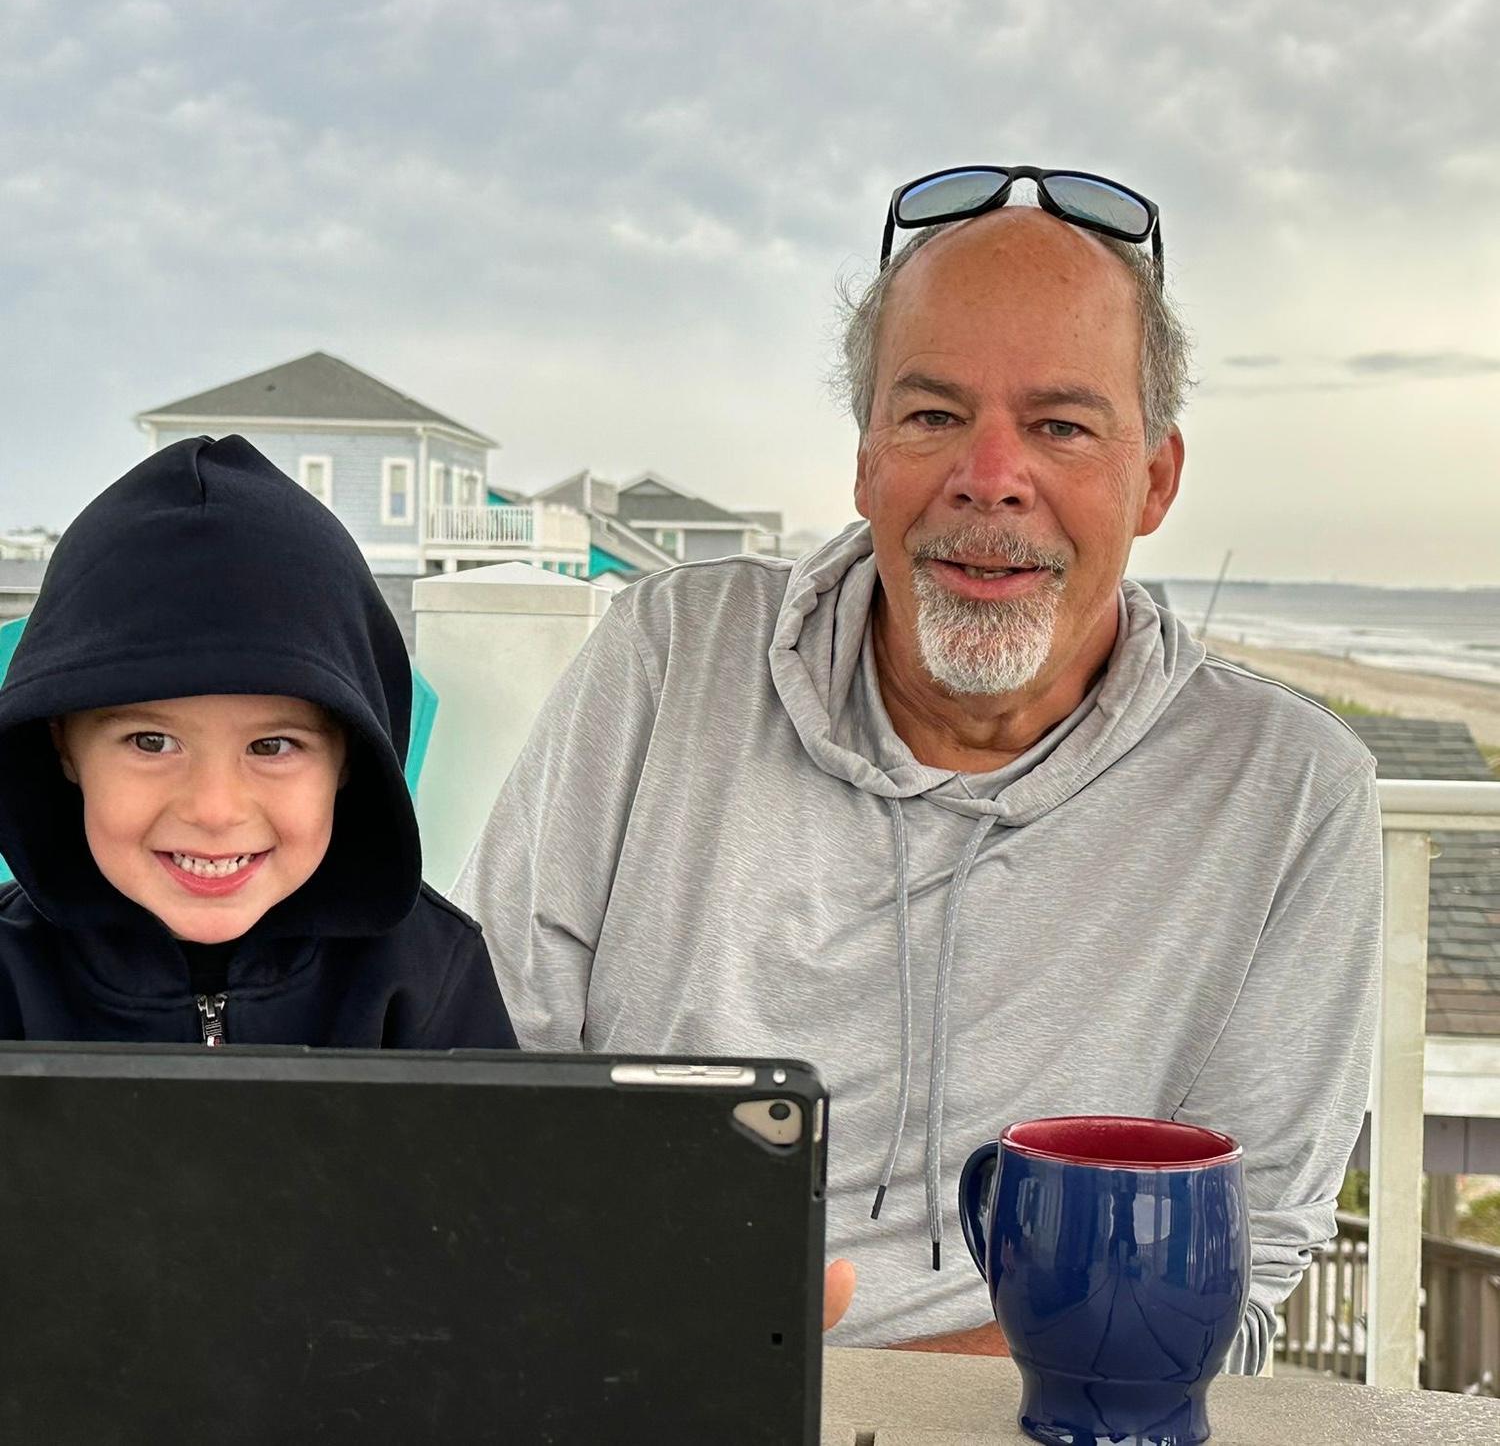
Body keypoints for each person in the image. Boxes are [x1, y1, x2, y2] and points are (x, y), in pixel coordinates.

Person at [453, 167, 1381, 1370]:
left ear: (1153, 479)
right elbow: (479, 1092)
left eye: (1060, 425)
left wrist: (821, 1396)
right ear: (864, 461)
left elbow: (1235, 1275)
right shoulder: (667, 660)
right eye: (934, 415)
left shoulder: (1287, 790)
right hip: (626, 1378)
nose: (988, 477)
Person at [0, 435, 516, 1050]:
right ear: (62, 748)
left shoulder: (427, 976)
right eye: (150, 741)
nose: (214, 810)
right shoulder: (10, 975)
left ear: (350, 756)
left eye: (272, 747)